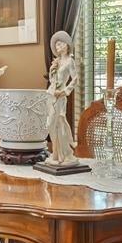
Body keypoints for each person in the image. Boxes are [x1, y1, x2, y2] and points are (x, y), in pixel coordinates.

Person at [46, 31, 78, 165]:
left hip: (60, 96)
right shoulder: (57, 62)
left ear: (66, 45)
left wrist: (65, 91)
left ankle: (64, 154)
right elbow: (52, 79)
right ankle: (55, 153)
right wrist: (52, 71)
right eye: (56, 45)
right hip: (51, 94)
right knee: (50, 124)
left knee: (59, 122)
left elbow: (75, 79)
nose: (58, 46)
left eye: (60, 43)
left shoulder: (70, 61)